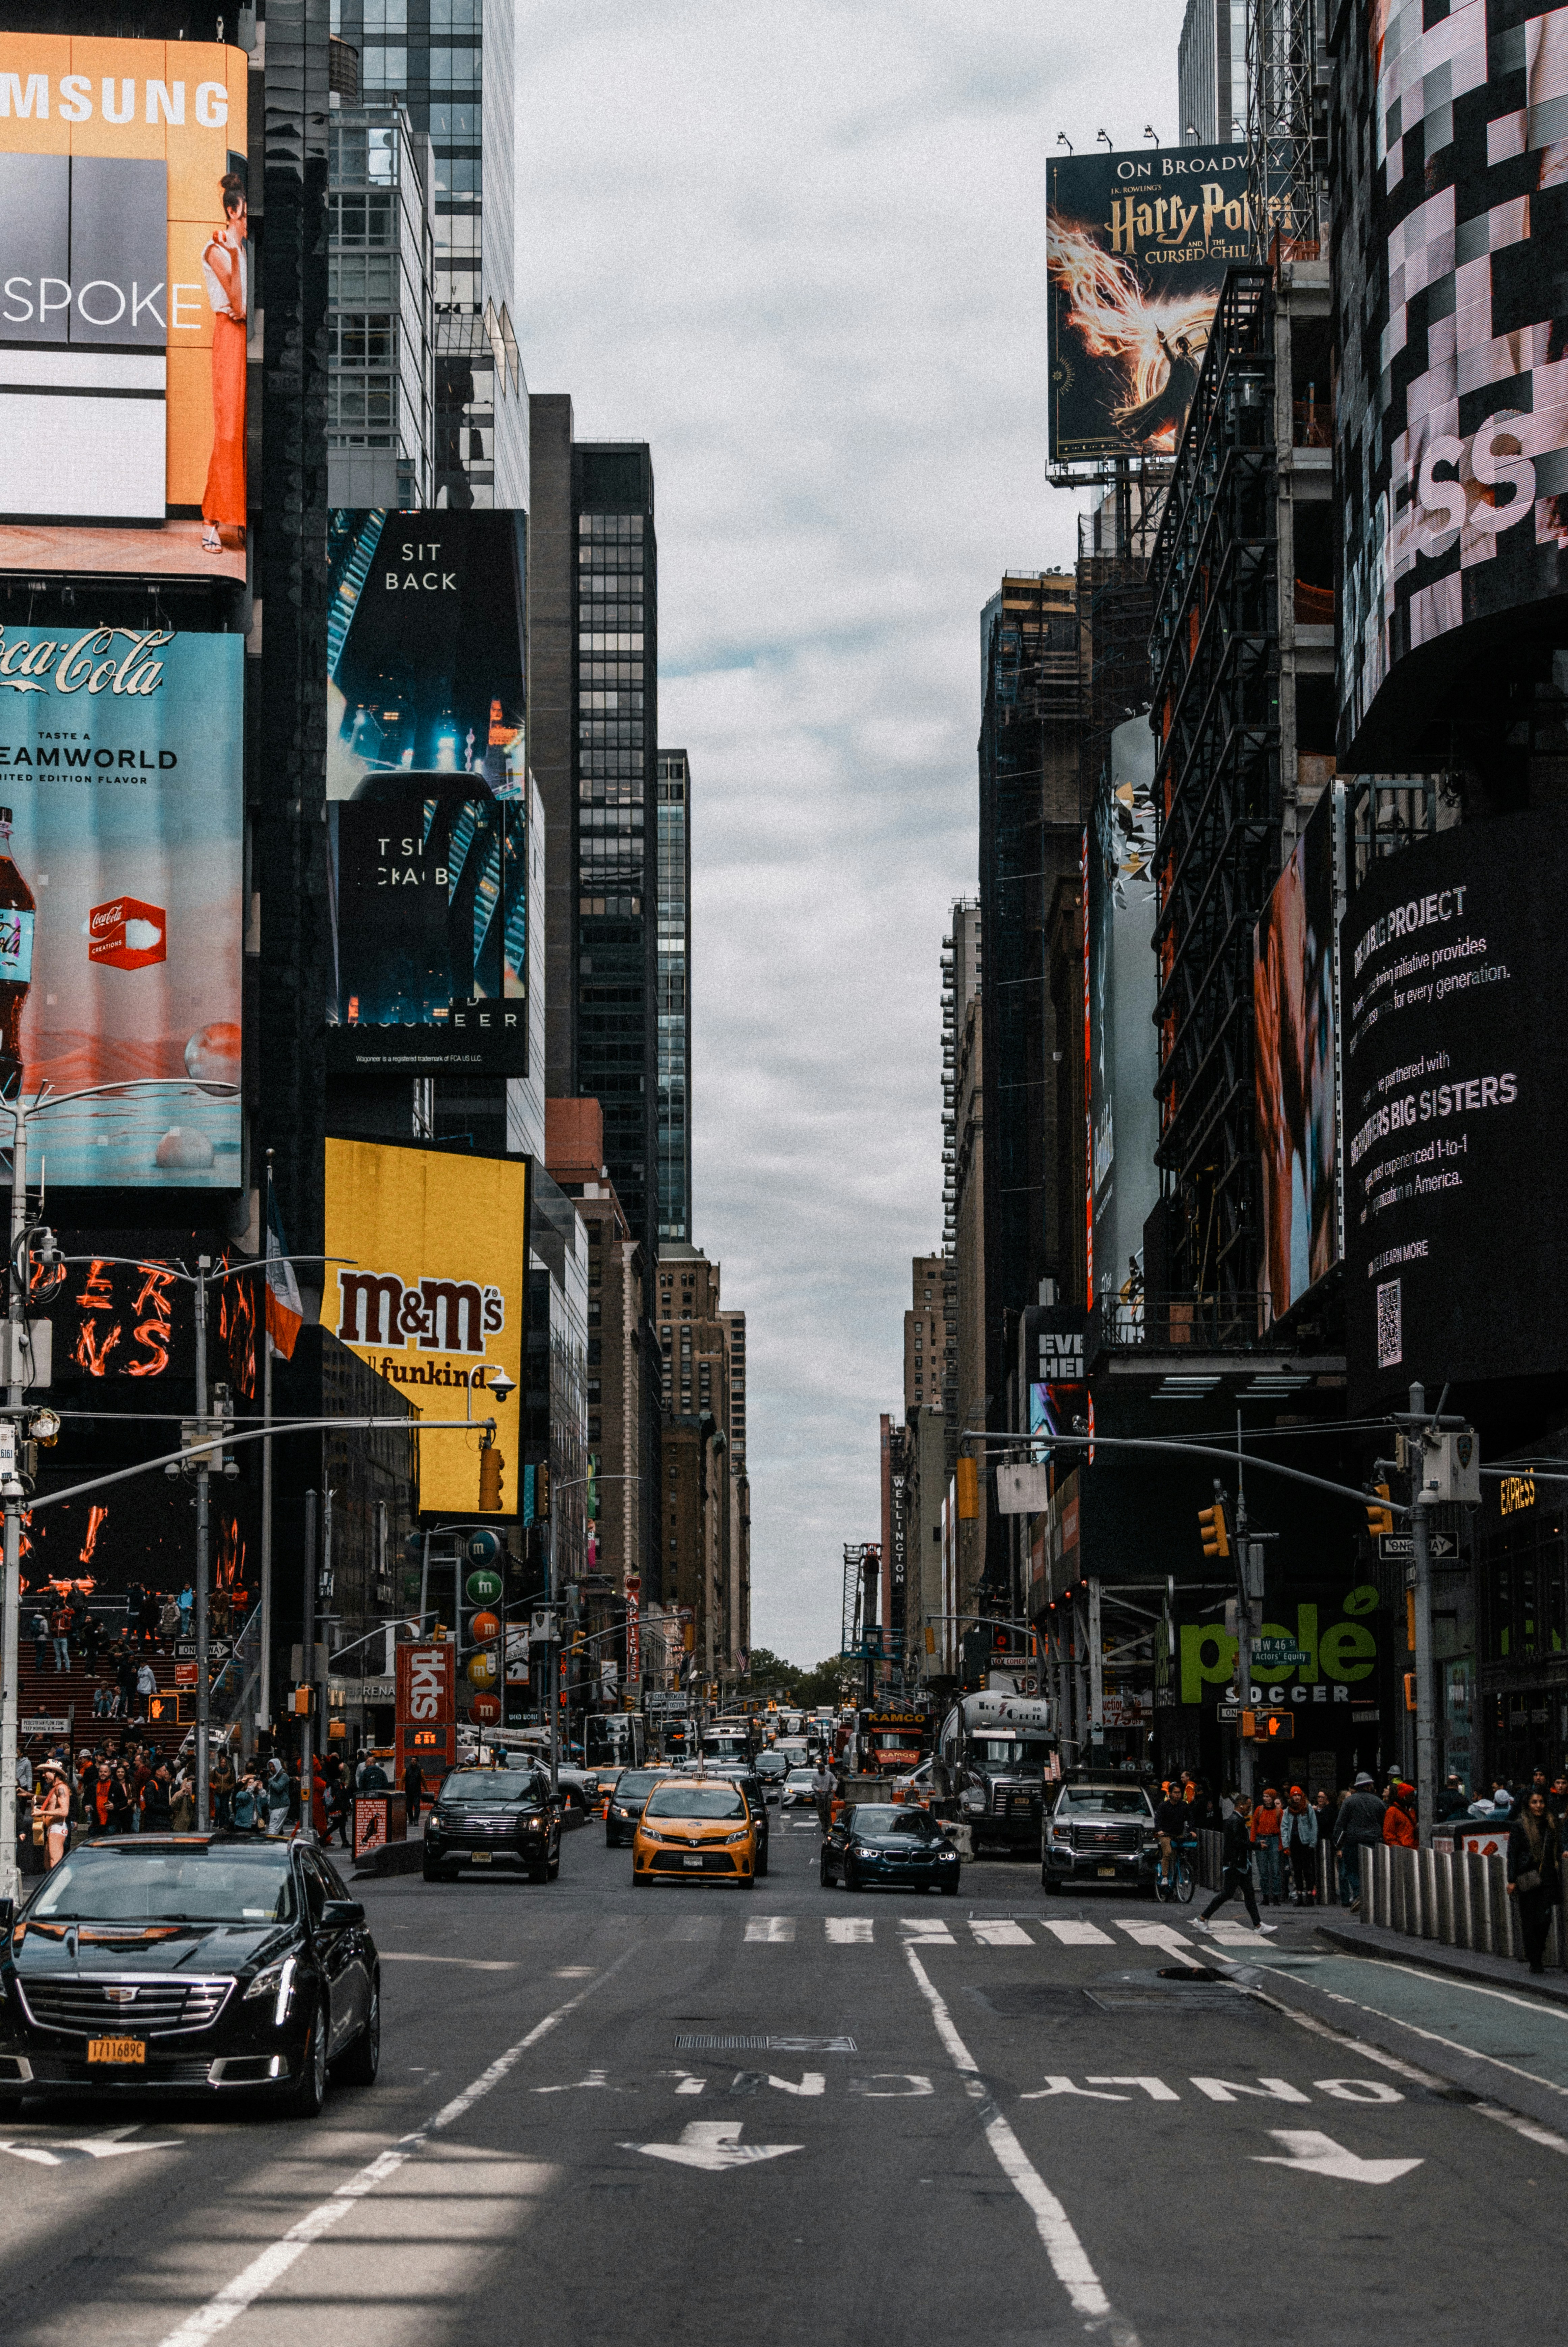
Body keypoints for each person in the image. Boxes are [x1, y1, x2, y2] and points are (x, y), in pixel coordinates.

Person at [200, 174, 248, 552]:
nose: (248, 222)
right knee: (229, 430)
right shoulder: (217, 248)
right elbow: (235, 302)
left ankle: (233, 517)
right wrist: (232, 254)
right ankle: (211, 522)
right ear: (232, 212)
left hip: (243, 336)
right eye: (245, 215)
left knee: (240, 431)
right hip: (229, 335)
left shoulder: (242, 250)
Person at [1196, 1792, 1273, 1933]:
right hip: (1236, 1864)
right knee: (1228, 1894)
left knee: (1248, 1894)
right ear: (1241, 1806)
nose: (1250, 1810)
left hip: (1238, 1863)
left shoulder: (1235, 1820)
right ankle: (1202, 1918)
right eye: (1248, 1807)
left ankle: (1258, 1925)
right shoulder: (1236, 1821)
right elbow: (1238, 1843)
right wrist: (1256, 1845)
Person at [1507, 1788, 1562, 1974]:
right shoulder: (1519, 1826)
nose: (1539, 1806)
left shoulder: (1551, 1824)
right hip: (1528, 1878)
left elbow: (1557, 1848)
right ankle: (1535, 1960)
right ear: (1528, 1805)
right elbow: (1513, 1854)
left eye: (1541, 1802)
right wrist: (1511, 1880)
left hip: (1548, 1879)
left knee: (1544, 1920)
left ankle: (1538, 1952)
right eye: (1534, 1802)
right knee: (1529, 1921)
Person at [1334, 1771, 1386, 1909]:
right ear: (1370, 1786)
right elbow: (1384, 1823)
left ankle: (1359, 1894)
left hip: (1353, 1841)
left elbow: (1341, 1823)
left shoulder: (1349, 1802)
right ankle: (1371, 1896)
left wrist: (1338, 1844)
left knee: (1352, 1870)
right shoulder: (1379, 1802)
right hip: (1374, 1841)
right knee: (1372, 1870)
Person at [1281, 1784, 1319, 1903]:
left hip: (1306, 1842)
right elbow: (1284, 1827)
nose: (1297, 1798)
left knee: (1307, 1869)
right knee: (1296, 1870)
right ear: (1291, 1797)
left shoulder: (1307, 1808)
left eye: (1298, 1795)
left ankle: (1309, 1894)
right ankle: (1299, 1894)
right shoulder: (1289, 1810)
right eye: (1295, 1796)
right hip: (1294, 1842)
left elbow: (1314, 1825)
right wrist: (1286, 1845)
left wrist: (1313, 1842)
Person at [1252, 1784, 1285, 1905]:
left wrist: (1281, 1845)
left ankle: (1276, 1896)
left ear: (1272, 1798)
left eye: (1268, 1797)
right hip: (1262, 1838)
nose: (1265, 1799)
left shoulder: (1279, 1812)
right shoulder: (1259, 1810)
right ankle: (1266, 1896)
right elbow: (1254, 1826)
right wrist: (1254, 1842)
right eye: (1264, 1796)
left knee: (1275, 1871)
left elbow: (1282, 1829)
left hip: (1274, 1839)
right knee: (1263, 1871)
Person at [35, 1763, 70, 1870]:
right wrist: (29, 1795)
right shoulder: (54, 1788)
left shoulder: (61, 1788)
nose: (43, 1775)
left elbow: (64, 1811)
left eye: (46, 1772)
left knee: (54, 1863)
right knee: (48, 1863)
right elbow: (48, 1801)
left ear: (54, 1772)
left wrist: (43, 1813)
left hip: (57, 1827)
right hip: (52, 1827)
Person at [1155, 1781, 1190, 1887]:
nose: (1178, 1795)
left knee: (1179, 1855)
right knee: (1168, 1852)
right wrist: (1159, 1831)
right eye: (1175, 1793)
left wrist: (1192, 1830)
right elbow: (1158, 1820)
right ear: (1170, 1794)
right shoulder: (1164, 1806)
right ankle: (1165, 1876)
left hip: (1178, 1834)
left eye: (1179, 1793)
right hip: (1166, 1835)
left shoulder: (1184, 1806)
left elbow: (1191, 1818)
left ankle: (1179, 1876)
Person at [263, 1755, 291, 1837]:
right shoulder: (273, 1776)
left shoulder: (283, 1776)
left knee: (273, 1828)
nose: (272, 1769)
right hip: (274, 1805)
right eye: (270, 1767)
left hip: (281, 1805)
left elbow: (279, 1788)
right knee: (275, 1827)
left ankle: (271, 1842)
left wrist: (270, 1781)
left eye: (273, 1767)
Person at [1383, 1781, 1418, 1848]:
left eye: (1414, 1796)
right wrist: (1398, 1848)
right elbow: (1388, 1835)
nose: (1413, 1798)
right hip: (1401, 1849)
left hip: (1411, 1848)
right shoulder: (1393, 1811)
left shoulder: (1411, 1811)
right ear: (1404, 1797)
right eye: (1411, 1796)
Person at [810, 1759, 834, 1835]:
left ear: (824, 1768)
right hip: (819, 1797)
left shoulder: (830, 1775)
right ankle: (824, 1826)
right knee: (821, 1812)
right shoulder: (815, 1776)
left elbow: (835, 1782)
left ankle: (829, 1826)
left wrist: (834, 1789)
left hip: (828, 1796)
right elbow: (814, 1785)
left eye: (822, 1768)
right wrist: (818, 1790)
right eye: (820, 1769)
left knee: (827, 1811)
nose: (821, 1770)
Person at [403, 1754, 424, 1826]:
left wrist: (427, 1790)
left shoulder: (420, 1770)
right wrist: (401, 1791)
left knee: (417, 1807)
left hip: (417, 1792)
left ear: (417, 1762)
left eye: (415, 1760)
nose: (413, 1761)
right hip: (409, 1792)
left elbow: (424, 1781)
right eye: (412, 1760)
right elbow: (402, 1781)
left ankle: (416, 1820)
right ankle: (411, 1820)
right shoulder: (406, 1770)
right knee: (409, 1808)